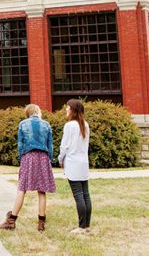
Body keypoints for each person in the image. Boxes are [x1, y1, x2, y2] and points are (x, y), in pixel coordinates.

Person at [0, 104, 55, 232]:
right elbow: (50, 145)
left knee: (22, 188)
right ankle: (41, 223)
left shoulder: (23, 124)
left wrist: (22, 158)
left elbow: (20, 145)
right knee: (42, 191)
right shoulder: (46, 124)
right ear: (38, 111)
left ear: (28, 113)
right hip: (43, 157)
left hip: (28, 157)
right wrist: (50, 159)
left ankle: (11, 221)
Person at [59, 98, 92, 234]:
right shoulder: (85, 125)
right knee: (85, 195)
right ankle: (87, 226)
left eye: (68, 107)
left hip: (72, 163)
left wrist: (60, 159)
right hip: (83, 163)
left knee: (78, 195)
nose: (66, 109)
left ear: (73, 109)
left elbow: (64, 146)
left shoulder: (69, 126)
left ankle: (81, 227)